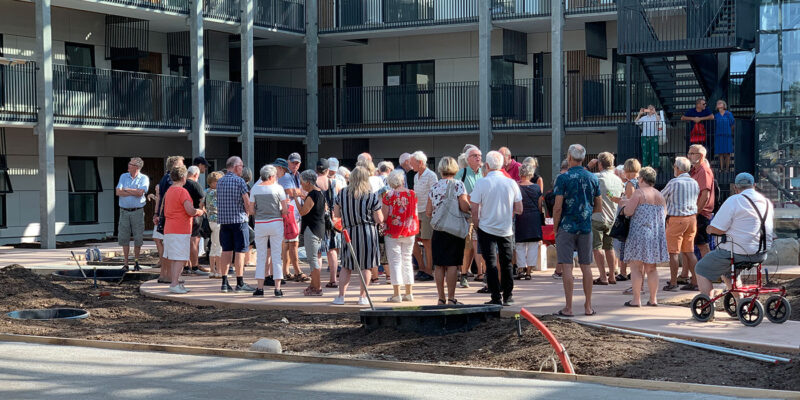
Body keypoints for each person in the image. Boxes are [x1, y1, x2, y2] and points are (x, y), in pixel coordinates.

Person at [696, 173, 774, 298]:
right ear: (754, 185)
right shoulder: (766, 202)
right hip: (761, 253)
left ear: (735, 188)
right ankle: (741, 304)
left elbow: (718, 229)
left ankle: (707, 303)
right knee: (728, 271)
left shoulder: (734, 200)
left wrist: (709, 229)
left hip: (736, 253)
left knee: (701, 268)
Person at [553, 144, 601, 317]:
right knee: (586, 266)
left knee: (567, 267)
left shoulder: (563, 178)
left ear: (569, 157)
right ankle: (588, 306)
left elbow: (557, 207)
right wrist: (586, 213)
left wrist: (556, 226)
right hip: (585, 226)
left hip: (567, 225)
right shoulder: (593, 178)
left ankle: (569, 307)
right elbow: (599, 206)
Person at [471, 151, 523, 306]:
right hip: (506, 229)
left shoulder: (481, 183)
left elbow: (474, 208)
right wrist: (508, 213)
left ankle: (495, 296)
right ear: (502, 165)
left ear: (486, 165)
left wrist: (477, 224)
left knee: (491, 263)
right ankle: (508, 296)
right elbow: (520, 208)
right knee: (507, 263)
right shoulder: (511, 183)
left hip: (486, 228)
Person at [333, 166, 384, 305]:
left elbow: (336, 214)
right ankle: (362, 297)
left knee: (346, 265)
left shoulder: (342, 193)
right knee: (366, 266)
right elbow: (379, 219)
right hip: (367, 232)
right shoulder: (371, 195)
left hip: (348, 232)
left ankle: (341, 296)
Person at [621, 167, 669, 307]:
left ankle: (636, 300)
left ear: (641, 179)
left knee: (636, 268)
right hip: (654, 235)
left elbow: (629, 212)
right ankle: (653, 299)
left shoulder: (639, 193)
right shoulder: (659, 195)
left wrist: (624, 207)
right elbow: (664, 215)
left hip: (638, 235)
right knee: (652, 268)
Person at [427, 156, 471, 305]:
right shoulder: (458, 185)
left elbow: (428, 211)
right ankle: (452, 298)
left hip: (438, 229)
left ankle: (441, 298)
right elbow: (464, 206)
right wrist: (470, 209)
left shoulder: (434, 186)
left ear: (440, 169)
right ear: (455, 168)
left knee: (439, 264)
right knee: (452, 264)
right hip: (454, 229)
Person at [163, 165, 204, 294]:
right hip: (180, 229)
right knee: (180, 258)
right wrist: (199, 211)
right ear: (183, 177)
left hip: (170, 228)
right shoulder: (182, 191)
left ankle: (175, 282)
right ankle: (174, 283)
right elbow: (190, 210)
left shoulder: (169, 190)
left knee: (176, 258)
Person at [216, 156, 255, 293]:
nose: (242, 168)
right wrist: (248, 213)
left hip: (224, 222)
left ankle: (225, 282)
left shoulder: (219, 182)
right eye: (241, 166)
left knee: (226, 251)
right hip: (239, 221)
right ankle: (240, 282)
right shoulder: (240, 182)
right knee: (240, 251)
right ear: (236, 166)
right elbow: (247, 201)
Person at [660, 157, 700, 292]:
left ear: (677, 168)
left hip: (677, 219)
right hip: (692, 219)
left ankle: (673, 283)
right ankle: (695, 281)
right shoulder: (694, 182)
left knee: (673, 252)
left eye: (674, 167)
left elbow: (661, 197)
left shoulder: (674, 182)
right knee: (689, 251)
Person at [250, 164, 288, 297]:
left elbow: (251, 210)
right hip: (276, 223)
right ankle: (277, 289)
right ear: (272, 176)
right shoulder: (278, 188)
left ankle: (260, 288)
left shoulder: (255, 188)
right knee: (277, 256)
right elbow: (285, 210)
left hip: (260, 223)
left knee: (261, 256)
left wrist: (260, 212)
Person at [381, 169, 419, 302]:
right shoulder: (412, 194)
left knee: (395, 261)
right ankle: (409, 292)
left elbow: (384, 216)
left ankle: (396, 294)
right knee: (407, 260)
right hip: (409, 230)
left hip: (393, 231)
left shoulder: (388, 196)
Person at [591, 152, 623, 285]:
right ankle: (612, 275)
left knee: (597, 246)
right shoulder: (618, 180)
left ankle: (603, 276)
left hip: (597, 216)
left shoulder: (596, 177)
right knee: (609, 247)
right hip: (612, 217)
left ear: (600, 164)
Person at [455, 146, 484, 289]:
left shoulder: (484, 174)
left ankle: (480, 273)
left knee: (477, 246)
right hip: (466, 215)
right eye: (474, 155)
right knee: (467, 247)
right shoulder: (462, 173)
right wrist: (467, 200)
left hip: (481, 214)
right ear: (468, 159)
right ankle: (464, 274)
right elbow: (455, 191)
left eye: (479, 155)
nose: (478, 157)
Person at [154, 156, 184, 284]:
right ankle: (168, 275)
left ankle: (164, 274)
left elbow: (160, 197)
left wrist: (157, 214)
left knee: (167, 246)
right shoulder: (171, 180)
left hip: (164, 215)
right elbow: (165, 198)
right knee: (170, 247)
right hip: (169, 216)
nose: (184, 166)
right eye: (181, 164)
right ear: (175, 165)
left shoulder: (163, 178)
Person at [115, 157, 149, 271]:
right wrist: (133, 191)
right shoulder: (123, 176)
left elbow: (140, 193)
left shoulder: (144, 178)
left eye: (131, 164)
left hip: (137, 211)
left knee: (138, 237)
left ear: (137, 167)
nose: (128, 165)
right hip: (124, 211)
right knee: (124, 237)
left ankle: (136, 262)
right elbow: (118, 192)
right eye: (129, 163)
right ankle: (125, 264)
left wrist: (126, 190)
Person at [297, 169, 326, 296]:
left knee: (312, 259)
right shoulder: (319, 192)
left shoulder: (313, 194)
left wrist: (296, 199)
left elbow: (303, 212)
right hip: (318, 228)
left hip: (312, 229)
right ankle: (314, 285)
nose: (301, 184)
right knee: (313, 258)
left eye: (302, 182)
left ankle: (317, 287)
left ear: (308, 182)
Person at [514, 163, 543, 280]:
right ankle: (529, 272)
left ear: (520, 173)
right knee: (533, 245)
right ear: (531, 173)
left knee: (519, 245)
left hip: (520, 217)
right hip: (534, 218)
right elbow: (540, 205)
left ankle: (520, 269)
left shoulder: (516, 186)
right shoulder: (536, 187)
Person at [411, 151, 437, 282]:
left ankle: (428, 270)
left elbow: (433, 194)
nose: (411, 165)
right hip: (416, 211)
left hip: (427, 212)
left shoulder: (431, 175)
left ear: (420, 162)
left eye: (412, 163)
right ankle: (421, 267)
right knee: (413, 240)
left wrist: (429, 209)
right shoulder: (416, 176)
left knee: (427, 241)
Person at [278, 154, 304, 281]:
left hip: (294, 214)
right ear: (287, 163)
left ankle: (286, 271)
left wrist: (299, 192)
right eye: (293, 163)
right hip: (289, 214)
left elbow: (296, 192)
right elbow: (291, 191)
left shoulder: (298, 175)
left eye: (297, 163)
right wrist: (304, 192)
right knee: (293, 243)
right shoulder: (286, 176)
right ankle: (297, 271)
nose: (295, 165)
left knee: (288, 244)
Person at [317, 159, 341, 290]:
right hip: (332, 220)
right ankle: (333, 279)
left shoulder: (313, 183)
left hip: (318, 220)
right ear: (327, 170)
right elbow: (340, 201)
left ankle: (317, 280)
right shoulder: (334, 183)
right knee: (332, 250)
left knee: (318, 252)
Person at [688, 144, 715, 259]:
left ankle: (709, 274)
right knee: (692, 245)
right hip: (696, 212)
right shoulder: (694, 171)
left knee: (702, 245)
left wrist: (696, 213)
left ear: (701, 155)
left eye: (692, 154)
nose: (689, 156)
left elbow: (705, 195)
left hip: (701, 214)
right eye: (689, 153)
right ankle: (687, 274)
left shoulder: (703, 171)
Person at [183, 166, 207, 276]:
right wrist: (203, 211)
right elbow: (203, 199)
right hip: (195, 214)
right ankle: (195, 266)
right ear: (196, 175)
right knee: (194, 241)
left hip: (183, 215)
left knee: (186, 240)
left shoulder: (182, 183)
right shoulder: (195, 184)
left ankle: (186, 265)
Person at [203, 171, 224, 278]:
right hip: (218, 220)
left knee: (213, 245)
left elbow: (201, 204)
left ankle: (212, 270)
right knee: (219, 246)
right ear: (215, 182)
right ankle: (219, 271)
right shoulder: (218, 192)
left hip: (210, 220)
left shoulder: (206, 192)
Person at [714, 100, 735, 171]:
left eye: (721, 103)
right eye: (718, 103)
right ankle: (721, 168)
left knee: (727, 153)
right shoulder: (716, 115)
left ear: (724, 105)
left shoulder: (729, 114)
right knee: (720, 153)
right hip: (719, 135)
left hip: (727, 136)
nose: (719, 103)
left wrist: (730, 132)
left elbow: (732, 124)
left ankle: (727, 168)